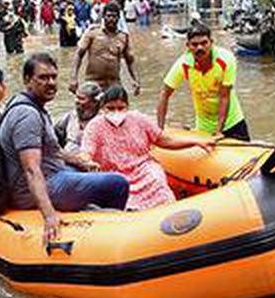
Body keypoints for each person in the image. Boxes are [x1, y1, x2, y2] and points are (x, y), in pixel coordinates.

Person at [0, 53, 129, 244]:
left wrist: (76, 160)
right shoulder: (27, 115)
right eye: (43, 78)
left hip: (51, 175)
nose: (50, 83)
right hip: (36, 188)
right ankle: (106, 237)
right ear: (27, 80)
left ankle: (89, 214)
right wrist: (49, 215)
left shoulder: (29, 106)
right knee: (118, 183)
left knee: (86, 171)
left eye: (53, 77)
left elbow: (50, 150)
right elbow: (31, 169)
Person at [82, 85, 215, 211]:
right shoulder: (95, 126)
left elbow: (164, 140)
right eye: (110, 108)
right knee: (118, 193)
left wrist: (195, 142)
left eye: (120, 108)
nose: (116, 112)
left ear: (127, 107)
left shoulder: (139, 119)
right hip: (114, 175)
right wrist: (87, 161)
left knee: (157, 178)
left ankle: (167, 213)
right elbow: (87, 152)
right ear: (103, 108)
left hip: (143, 169)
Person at [157, 23, 250, 141]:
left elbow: (224, 96)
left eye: (204, 43)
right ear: (188, 46)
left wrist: (218, 132)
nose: (199, 48)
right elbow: (165, 94)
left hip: (232, 122)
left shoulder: (226, 60)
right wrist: (159, 130)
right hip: (204, 126)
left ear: (211, 42)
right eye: (194, 44)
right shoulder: (183, 64)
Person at [71, 2, 140, 95]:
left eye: (114, 16)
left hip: (114, 85)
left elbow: (130, 60)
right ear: (103, 17)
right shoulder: (92, 33)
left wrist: (135, 80)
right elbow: (79, 54)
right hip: (93, 83)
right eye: (108, 16)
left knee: (117, 108)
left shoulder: (123, 37)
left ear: (119, 18)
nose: (111, 19)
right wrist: (74, 78)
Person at [54, 81, 103, 152]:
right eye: (77, 97)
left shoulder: (102, 120)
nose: (76, 101)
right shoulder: (71, 116)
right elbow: (56, 134)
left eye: (81, 98)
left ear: (94, 102)